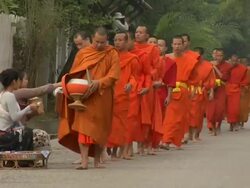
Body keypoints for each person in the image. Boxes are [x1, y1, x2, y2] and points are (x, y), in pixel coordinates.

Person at [57, 27, 120, 169]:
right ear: (92, 38)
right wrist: (74, 88)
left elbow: (114, 75)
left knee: (99, 129)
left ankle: (97, 161)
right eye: (97, 41)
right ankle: (84, 161)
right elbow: (74, 72)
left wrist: (99, 82)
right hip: (84, 95)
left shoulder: (112, 53)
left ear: (107, 41)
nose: (99, 45)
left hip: (102, 95)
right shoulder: (83, 53)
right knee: (83, 127)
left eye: (102, 42)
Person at [162, 35, 199, 149]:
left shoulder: (191, 61)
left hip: (182, 90)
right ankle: (167, 139)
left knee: (177, 117)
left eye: (179, 44)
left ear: (184, 45)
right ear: (171, 45)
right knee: (167, 116)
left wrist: (193, 90)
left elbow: (194, 78)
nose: (177, 46)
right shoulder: (166, 58)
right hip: (166, 89)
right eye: (175, 44)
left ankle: (171, 140)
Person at [107, 32, 136, 160]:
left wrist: (131, 84)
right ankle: (108, 150)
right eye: (115, 40)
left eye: (120, 40)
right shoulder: (109, 56)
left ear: (126, 42)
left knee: (121, 124)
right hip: (109, 93)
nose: (117, 42)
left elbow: (135, 77)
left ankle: (120, 150)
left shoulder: (132, 59)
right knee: (108, 123)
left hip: (123, 94)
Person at [134, 26, 161, 155]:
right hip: (135, 83)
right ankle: (139, 144)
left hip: (148, 84)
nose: (138, 34)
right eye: (136, 32)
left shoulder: (153, 49)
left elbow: (157, 67)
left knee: (148, 114)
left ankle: (149, 143)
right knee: (137, 115)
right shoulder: (132, 47)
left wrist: (153, 78)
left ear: (146, 35)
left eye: (141, 33)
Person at [0, 68, 39, 152]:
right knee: (37, 134)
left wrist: (31, 110)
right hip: (5, 133)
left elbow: (14, 113)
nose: (19, 82)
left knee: (30, 132)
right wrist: (28, 108)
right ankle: (28, 158)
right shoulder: (10, 96)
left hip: (5, 131)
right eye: (18, 80)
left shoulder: (3, 94)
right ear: (14, 81)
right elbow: (15, 117)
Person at [127, 31, 151, 155]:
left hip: (139, 88)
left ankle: (141, 144)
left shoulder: (142, 55)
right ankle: (127, 146)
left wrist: (147, 87)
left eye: (127, 40)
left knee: (140, 118)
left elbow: (147, 73)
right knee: (127, 118)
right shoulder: (118, 54)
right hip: (124, 88)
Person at [188, 47, 215, 141]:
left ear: (201, 56)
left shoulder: (207, 66)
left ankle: (196, 135)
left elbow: (211, 80)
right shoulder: (188, 64)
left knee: (197, 115)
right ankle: (189, 134)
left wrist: (211, 91)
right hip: (188, 91)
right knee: (188, 114)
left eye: (198, 55)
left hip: (200, 91)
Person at [155, 39, 177, 149]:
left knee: (161, 117)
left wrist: (169, 95)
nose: (158, 47)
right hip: (149, 91)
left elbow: (171, 81)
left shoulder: (170, 62)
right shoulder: (149, 60)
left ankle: (158, 140)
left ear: (166, 48)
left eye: (161, 46)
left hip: (162, 91)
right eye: (157, 45)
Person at [206, 49, 232, 135]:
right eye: (217, 55)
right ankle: (212, 126)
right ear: (213, 55)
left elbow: (222, 76)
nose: (218, 57)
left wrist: (214, 67)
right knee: (211, 109)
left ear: (223, 56)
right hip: (211, 88)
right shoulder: (208, 64)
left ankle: (218, 126)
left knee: (220, 109)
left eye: (220, 56)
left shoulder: (227, 66)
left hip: (221, 88)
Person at [225, 54, 247, 131]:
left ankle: (235, 123)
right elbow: (225, 78)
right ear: (230, 60)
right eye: (232, 61)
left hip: (237, 89)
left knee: (236, 109)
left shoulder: (243, 69)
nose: (234, 62)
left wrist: (242, 88)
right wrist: (229, 69)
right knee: (229, 109)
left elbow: (245, 80)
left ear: (238, 61)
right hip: (228, 89)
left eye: (235, 61)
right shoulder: (228, 68)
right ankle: (231, 124)